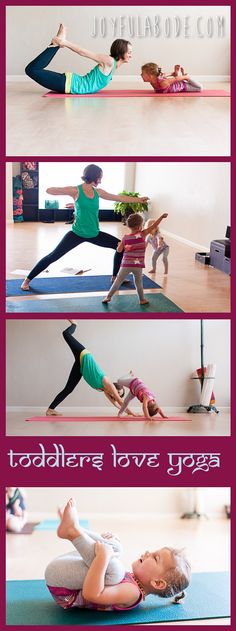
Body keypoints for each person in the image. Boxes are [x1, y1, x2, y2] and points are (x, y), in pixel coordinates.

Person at [45, 497, 191, 611]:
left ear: (157, 583)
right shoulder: (134, 582)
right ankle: (75, 529)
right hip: (63, 571)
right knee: (116, 547)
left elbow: (91, 594)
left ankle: (73, 531)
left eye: (155, 557)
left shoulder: (132, 593)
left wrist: (102, 557)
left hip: (64, 591)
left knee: (115, 569)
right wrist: (110, 544)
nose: (148, 552)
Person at [21, 164, 149, 291]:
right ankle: (27, 280)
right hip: (76, 234)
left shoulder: (98, 192)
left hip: (94, 233)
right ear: (94, 176)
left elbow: (119, 198)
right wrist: (63, 191)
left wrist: (138, 200)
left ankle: (115, 277)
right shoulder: (76, 191)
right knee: (53, 256)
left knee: (120, 246)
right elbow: (49, 190)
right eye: (100, 177)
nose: (100, 180)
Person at [46, 321, 134, 417]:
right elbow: (120, 401)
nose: (117, 394)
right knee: (66, 334)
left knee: (69, 389)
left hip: (81, 367)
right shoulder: (107, 383)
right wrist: (132, 413)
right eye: (118, 392)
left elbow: (116, 403)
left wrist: (125, 412)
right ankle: (74, 324)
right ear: (115, 387)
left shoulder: (104, 390)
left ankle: (51, 409)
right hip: (84, 356)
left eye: (119, 394)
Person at [25, 23, 132, 94]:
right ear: (121, 51)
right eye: (129, 52)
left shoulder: (113, 66)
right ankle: (58, 42)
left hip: (69, 84)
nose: (131, 55)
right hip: (68, 84)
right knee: (31, 70)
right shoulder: (109, 61)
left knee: (32, 70)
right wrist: (65, 43)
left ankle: (57, 42)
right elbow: (83, 52)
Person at [102, 212, 168, 306]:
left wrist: (119, 246)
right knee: (138, 283)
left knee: (118, 281)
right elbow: (154, 225)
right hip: (138, 265)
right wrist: (161, 217)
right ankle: (142, 300)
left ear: (129, 226)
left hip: (126, 265)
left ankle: (108, 297)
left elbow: (119, 251)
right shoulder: (143, 234)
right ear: (140, 226)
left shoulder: (125, 238)